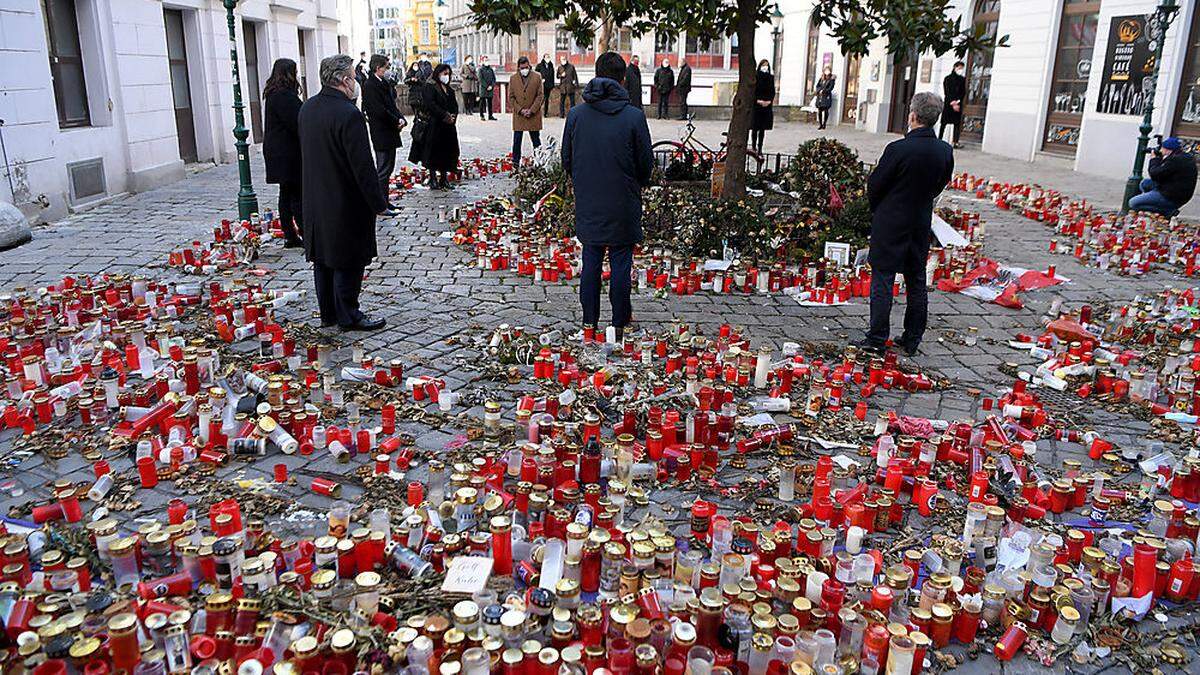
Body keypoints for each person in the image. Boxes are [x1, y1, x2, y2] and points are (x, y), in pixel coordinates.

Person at [562, 51, 653, 343]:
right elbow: (645, 163)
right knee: (621, 264)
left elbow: (566, 159)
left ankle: (589, 322)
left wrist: (583, 180)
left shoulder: (576, 114)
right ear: (623, 79)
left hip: (589, 199)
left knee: (591, 261)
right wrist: (635, 183)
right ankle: (618, 324)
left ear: (596, 74)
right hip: (623, 201)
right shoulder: (634, 116)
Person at [859, 92, 954, 357]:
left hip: (891, 219)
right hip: (920, 220)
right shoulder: (944, 150)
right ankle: (912, 338)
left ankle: (877, 337)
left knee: (883, 277)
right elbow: (940, 183)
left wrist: (881, 207)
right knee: (916, 279)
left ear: (912, 116)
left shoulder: (898, 149)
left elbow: (875, 185)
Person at [298, 54, 389, 332]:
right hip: (345, 199)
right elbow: (363, 166)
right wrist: (378, 202)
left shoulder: (308, 109)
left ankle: (328, 312)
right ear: (344, 80)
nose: (355, 81)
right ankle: (349, 313)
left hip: (316, 197)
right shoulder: (349, 114)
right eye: (352, 76)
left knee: (324, 258)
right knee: (349, 258)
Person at [262, 58, 304, 248]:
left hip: (277, 151)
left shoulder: (273, 93)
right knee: (296, 194)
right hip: (287, 152)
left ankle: (290, 234)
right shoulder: (284, 95)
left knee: (286, 193)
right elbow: (297, 121)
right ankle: (303, 232)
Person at [361, 54, 405, 215]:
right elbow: (378, 110)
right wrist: (395, 121)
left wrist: (400, 118)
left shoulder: (383, 83)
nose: (388, 70)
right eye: (386, 67)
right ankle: (380, 205)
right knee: (383, 168)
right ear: (378, 68)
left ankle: (385, 201)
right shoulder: (370, 85)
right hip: (381, 130)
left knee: (388, 167)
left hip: (390, 130)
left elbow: (391, 105)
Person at [418, 63, 461, 190]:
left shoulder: (449, 90)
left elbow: (454, 105)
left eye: (448, 74)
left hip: (448, 126)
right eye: (444, 74)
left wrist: (452, 117)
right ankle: (432, 178)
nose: (446, 77)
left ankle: (444, 177)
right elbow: (431, 105)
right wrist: (444, 115)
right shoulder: (430, 87)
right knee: (434, 151)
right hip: (435, 124)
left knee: (447, 151)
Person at [1130, 137, 1197, 216]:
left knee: (1133, 203)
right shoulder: (1183, 156)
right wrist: (1160, 158)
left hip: (1171, 196)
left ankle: (1168, 210)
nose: (1160, 150)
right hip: (1176, 191)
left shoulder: (1175, 160)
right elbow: (1163, 173)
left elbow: (1155, 174)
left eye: (1162, 148)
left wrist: (1154, 159)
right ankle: (1153, 203)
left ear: (1168, 150)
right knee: (1145, 183)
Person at [508, 56, 544, 167]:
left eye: (526, 67)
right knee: (517, 140)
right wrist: (520, 110)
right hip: (519, 115)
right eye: (522, 68)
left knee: (536, 140)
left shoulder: (537, 77)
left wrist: (532, 110)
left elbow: (540, 95)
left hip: (533, 115)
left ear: (529, 66)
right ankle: (515, 162)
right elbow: (511, 97)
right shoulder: (513, 78)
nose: (525, 70)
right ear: (518, 67)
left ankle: (539, 161)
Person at [751, 60, 774, 153]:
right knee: (755, 128)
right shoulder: (756, 77)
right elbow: (753, 91)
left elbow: (772, 91)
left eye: (767, 66)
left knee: (762, 129)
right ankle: (753, 146)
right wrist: (757, 100)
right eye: (763, 65)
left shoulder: (770, 78)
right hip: (757, 106)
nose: (765, 67)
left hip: (766, 106)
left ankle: (760, 147)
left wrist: (769, 101)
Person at [940, 61, 966, 147]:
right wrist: (952, 102)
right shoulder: (947, 78)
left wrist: (958, 102)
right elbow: (946, 91)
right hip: (949, 104)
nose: (961, 70)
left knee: (957, 124)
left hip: (958, 104)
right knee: (944, 123)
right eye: (959, 68)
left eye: (962, 68)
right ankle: (939, 138)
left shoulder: (962, 79)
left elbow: (963, 92)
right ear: (955, 67)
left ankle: (955, 141)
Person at [478, 56, 497, 120]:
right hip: (483, 88)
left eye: (487, 60)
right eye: (485, 60)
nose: (487, 61)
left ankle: (490, 115)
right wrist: (486, 86)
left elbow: (494, 79)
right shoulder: (480, 69)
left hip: (490, 89)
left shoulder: (491, 69)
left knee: (490, 103)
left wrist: (492, 86)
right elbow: (480, 79)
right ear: (483, 61)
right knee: (482, 103)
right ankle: (481, 115)